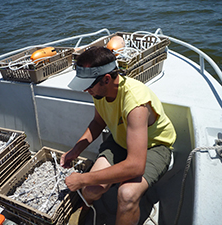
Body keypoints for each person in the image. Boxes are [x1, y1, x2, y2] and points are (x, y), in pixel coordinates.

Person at [60, 46, 176, 225]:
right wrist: (75, 150)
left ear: (106, 79)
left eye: (88, 86)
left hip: (154, 146)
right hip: (120, 140)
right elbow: (98, 123)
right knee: (91, 189)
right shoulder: (99, 91)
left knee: (127, 195)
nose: (85, 90)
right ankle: (84, 209)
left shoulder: (135, 103)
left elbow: (136, 166)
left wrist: (81, 179)